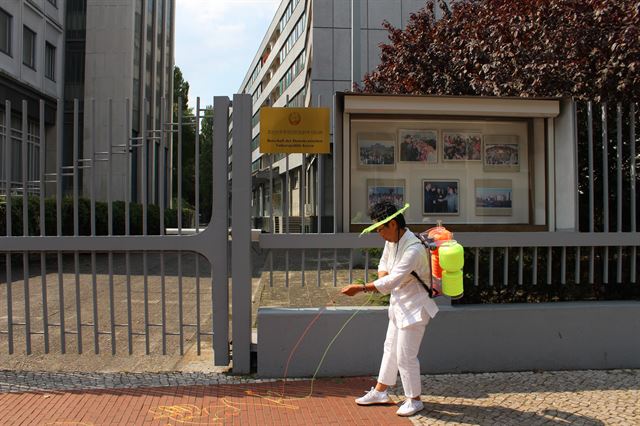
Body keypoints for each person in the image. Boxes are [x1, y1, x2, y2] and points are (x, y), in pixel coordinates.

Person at [341, 201, 439, 417]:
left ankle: (414, 399)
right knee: (390, 348)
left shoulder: (413, 248)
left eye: (380, 229)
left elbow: (393, 280)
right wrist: (383, 281)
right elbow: (384, 268)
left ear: (392, 224)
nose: (379, 234)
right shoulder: (392, 241)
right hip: (399, 305)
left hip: (415, 308)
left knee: (406, 356)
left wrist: (361, 288)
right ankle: (380, 391)